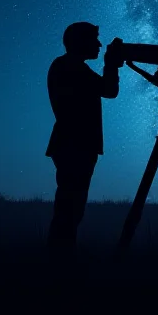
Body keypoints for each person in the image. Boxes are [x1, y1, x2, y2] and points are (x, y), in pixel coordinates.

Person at [45, 21, 124, 253]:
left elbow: (106, 90)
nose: (99, 44)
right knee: (70, 209)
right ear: (80, 42)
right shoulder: (70, 66)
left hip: (73, 144)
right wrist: (111, 65)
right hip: (75, 145)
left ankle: (60, 258)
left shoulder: (69, 66)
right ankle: (60, 261)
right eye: (94, 39)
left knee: (71, 209)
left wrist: (111, 64)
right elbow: (109, 90)